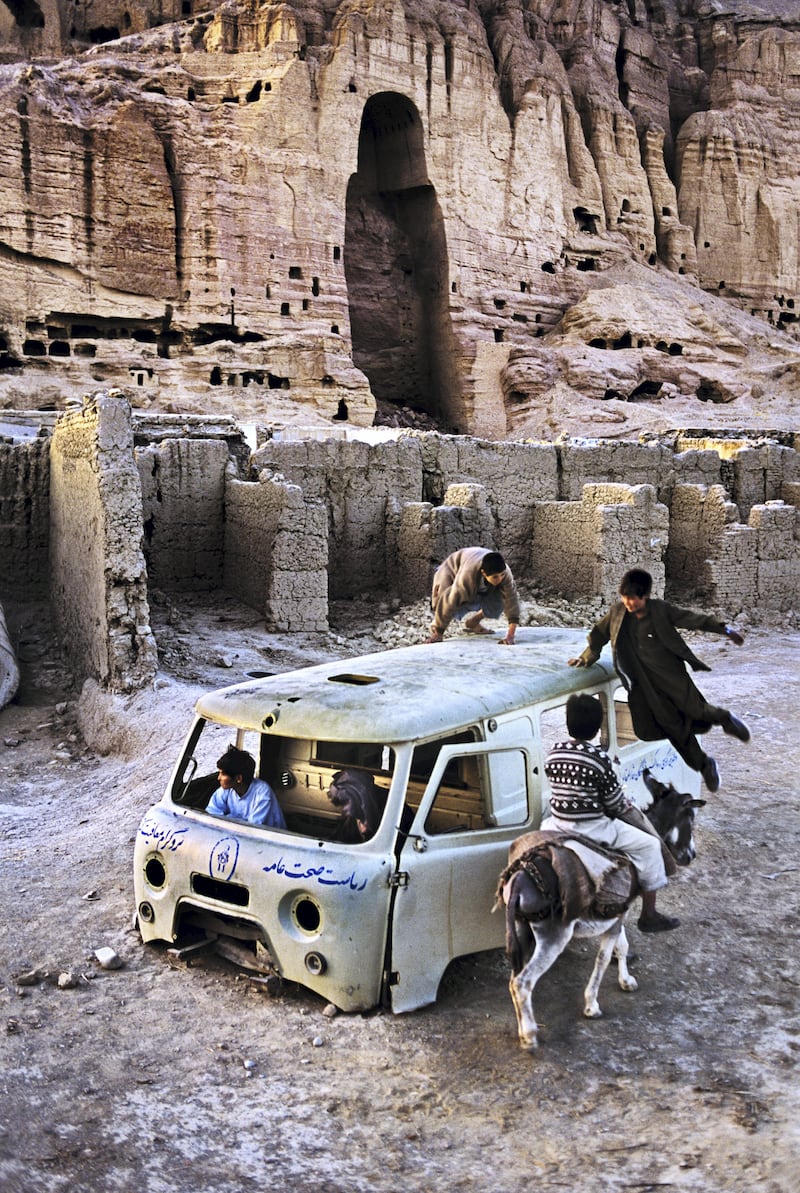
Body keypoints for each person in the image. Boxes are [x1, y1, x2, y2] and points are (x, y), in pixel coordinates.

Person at [569, 568, 749, 793]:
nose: (629, 603)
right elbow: (598, 636)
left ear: (645, 596)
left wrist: (726, 630)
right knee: (674, 729)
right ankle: (704, 765)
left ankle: (725, 718)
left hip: (671, 676)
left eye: (634, 599)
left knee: (694, 709)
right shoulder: (617, 614)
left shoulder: (661, 611)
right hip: (645, 685)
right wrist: (586, 657)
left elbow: (693, 620)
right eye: (625, 598)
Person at [542, 693, 680, 933]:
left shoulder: (554, 752)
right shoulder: (600, 760)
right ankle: (649, 914)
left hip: (556, 824)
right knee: (649, 845)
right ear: (597, 728)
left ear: (568, 723)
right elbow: (615, 805)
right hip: (592, 828)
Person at [425, 547, 521, 645]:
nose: (500, 579)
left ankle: (474, 621)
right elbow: (451, 599)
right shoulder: (468, 573)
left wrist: (510, 636)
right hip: (452, 568)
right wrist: (439, 632)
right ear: (483, 573)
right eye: (495, 577)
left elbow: (511, 601)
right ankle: (436, 629)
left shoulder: (505, 573)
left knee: (502, 598)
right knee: (442, 600)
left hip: (478, 570)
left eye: (502, 575)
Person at [206, 745, 286, 828]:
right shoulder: (226, 790)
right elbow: (212, 813)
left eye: (223, 774)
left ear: (238, 778)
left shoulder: (262, 792)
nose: (219, 778)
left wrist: (227, 818)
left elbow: (253, 827)